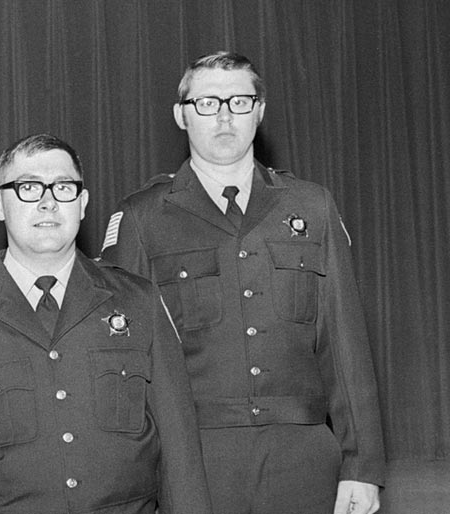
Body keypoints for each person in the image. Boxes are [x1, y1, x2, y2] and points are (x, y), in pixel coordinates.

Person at [100, 51, 385, 514]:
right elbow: (122, 361)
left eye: (239, 101)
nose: (224, 116)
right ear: (182, 115)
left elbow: (345, 342)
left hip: (303, 457)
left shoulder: (311, 206)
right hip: (195, 461)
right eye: (207, 103)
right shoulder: (143, 217)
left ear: (260, 111)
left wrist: (362, 466)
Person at [0, 134, 211, 513]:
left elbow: (180, 449)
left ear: (82, 204)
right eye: (29, 187)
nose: (48, 202)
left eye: (63, 187)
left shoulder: (138, 300)